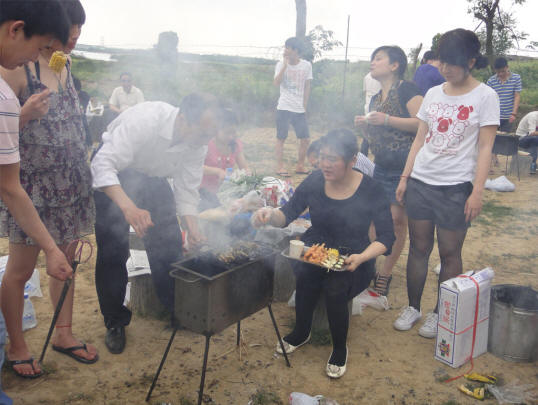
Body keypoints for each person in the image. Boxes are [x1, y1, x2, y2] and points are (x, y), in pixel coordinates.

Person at [0, 0, 98, 380]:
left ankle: (63, 333)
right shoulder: (15, 69)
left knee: (65, 262)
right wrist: (27, 115)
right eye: (66, 36)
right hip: (31, 187)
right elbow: (7, 131)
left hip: (70, 184)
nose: (70, 44)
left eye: (76, 38)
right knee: (21, 270)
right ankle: (18, 345)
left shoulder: (61, 63)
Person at [252, 129, 395, 378]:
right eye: (322, 157)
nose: (324, 164)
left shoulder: (371, 189)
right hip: (316, 250)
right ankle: (302, 331)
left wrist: (362, 257)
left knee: (336, 288)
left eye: (333, 159)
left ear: (352, 161)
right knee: (306, 277)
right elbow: (287, 214)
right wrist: (268, 215)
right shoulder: (315, 180)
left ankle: (339, 347)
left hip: (353, 257)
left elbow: (386, 238)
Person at [91, 93, 222, 354]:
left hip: (154, 180)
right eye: (200, 135)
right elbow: (101, 165)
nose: (203, 142)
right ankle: (115, 321)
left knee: (169, 245)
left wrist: (193, 228)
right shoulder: (145, 120)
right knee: (113, 250)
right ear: (183, 119)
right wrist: (128, 208)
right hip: (115, 177)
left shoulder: (199, 141)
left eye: (207, 137)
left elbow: (187, 189)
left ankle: (176, 309)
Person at [394, 28, 499, 338]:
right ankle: (413, 307)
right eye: (442, 62)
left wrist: (477, 192)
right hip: (422, 181)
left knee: (450, 252)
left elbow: (485, 148)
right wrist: (405, 177)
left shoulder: (485, 96)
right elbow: (419, 139)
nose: (445, 69)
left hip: (455, 187)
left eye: (452, 63)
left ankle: (441, 313)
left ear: (470, 61)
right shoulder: (434, 93)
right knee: (418, 247)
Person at [354, 46, 423, 297]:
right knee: (373, 221)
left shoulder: (407, 89)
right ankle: (370, 267)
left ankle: (385, 273)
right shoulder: (375, 99)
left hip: (405, 166)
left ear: (395, 65)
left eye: (378, 58)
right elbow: (376, 137)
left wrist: (386, 120)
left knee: (395, 222)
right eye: (372, 58)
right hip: (381, 166)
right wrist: (365, 127)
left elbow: (422, 125)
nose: (372, 62)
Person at [274, 37, 312, 177]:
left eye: (288, 47)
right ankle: (280, 167)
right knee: (281, 138)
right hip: (284, 106)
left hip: (299, 109)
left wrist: (305, 105)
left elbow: (307, 86)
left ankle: (300, 166)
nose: (285, 50)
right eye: (285, 47)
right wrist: (284, 65)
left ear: (296, 50)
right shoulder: (280, 64)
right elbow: (276, 83)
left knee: (305, 139)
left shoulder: (306, 65)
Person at [199, 109, 249, 211]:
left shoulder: (235, 144)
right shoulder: (207, 144)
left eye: (233, 132)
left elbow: (245, 168)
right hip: (203, 192)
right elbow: (195, 166)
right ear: (216, 130)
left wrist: (247, 175)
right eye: (227, 133)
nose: (231, 137)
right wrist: (217, 171)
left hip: (226, 192)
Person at [486, 57, 521, 133]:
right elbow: (488, 98)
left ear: (507, 67)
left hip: (509, 116)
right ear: (495, 70)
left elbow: (517, 96)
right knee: (493, 139)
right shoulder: (491, 81)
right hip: (494, 117)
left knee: (505, 139)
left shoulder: (516, 78)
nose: (501, 74)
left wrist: (514, 113)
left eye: (503, 71)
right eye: (498, 72)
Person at [360, 72, 381, 155]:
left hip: (368, 105)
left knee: (367, 132)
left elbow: (365, 92)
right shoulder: (381, 76)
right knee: (376, 131)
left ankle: (363, 154)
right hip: (378, 105)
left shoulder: (367, 76)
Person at [515, 110, 538, 174]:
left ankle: (533, 164)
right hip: (521, 138)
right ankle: (532, 164)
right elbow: (532, 133)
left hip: (530, 138)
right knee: (535, 139)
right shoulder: (533, 117)